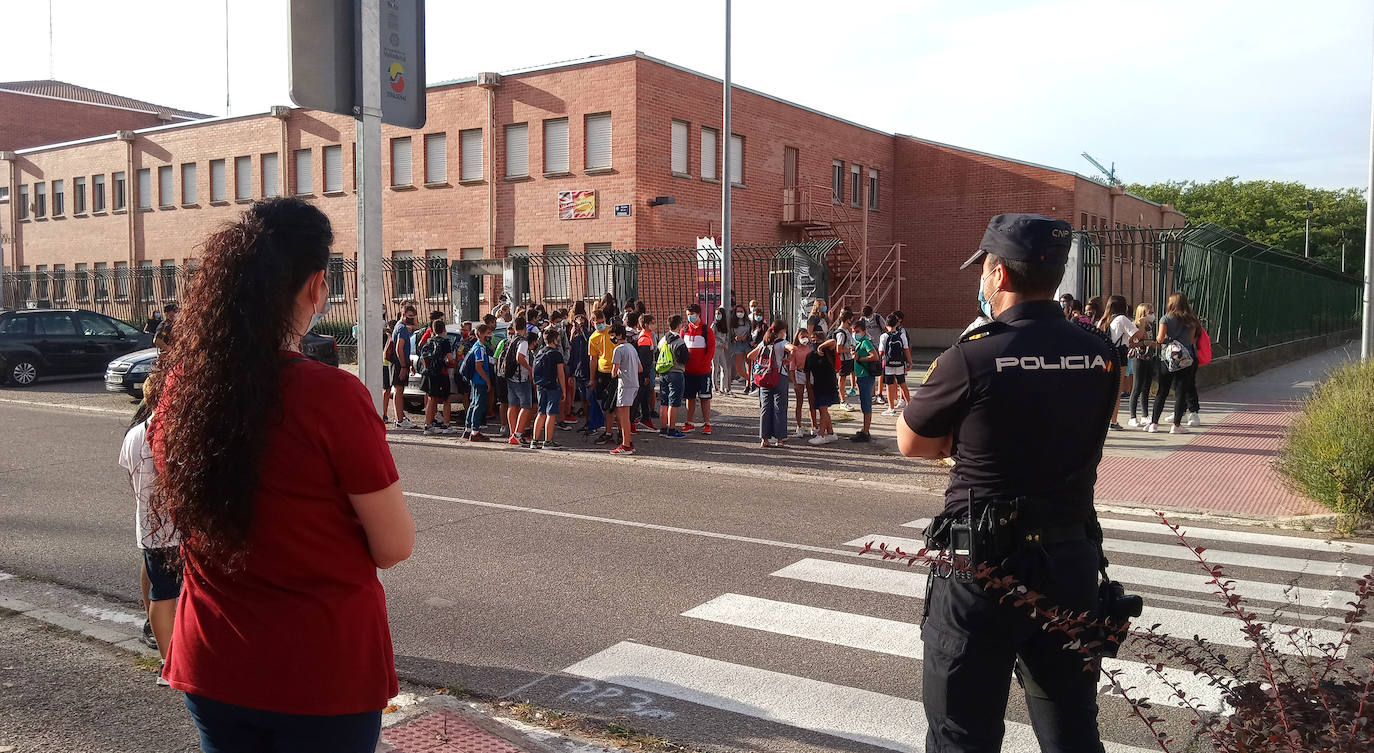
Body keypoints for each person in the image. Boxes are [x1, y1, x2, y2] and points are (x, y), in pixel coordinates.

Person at [151, 197, 414, 751]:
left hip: (214, 657)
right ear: (318, 285)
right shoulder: (332, 396)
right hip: (319, 671)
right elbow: (393, 544)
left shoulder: (180, 391)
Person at [897, 213, 1117, 753]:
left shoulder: (971, 355)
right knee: (1071, 726)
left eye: (984, 268)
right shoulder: (1102, 355)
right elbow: (1094, 426)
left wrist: (963, 441)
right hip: (1070, 560)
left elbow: (912, 441)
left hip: (983, 569)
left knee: (962, 734)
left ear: (998, 276)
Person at [118, 372, 180, 686]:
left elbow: (129, 475)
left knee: (161, 594)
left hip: (148, 526)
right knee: (170, 595)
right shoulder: (171, 433)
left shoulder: (133, 435)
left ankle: (166, 661)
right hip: (173, 528)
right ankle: (171, 664)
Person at [1147, 291, 1202, 435]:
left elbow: (1159, 339)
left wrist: (1168, 341)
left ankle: (1154, 423)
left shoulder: (1165, 318)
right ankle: (1176, 425)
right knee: (1181, 392)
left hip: (1167, 359)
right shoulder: (1192, 321)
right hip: (1185, 359)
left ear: (1171, 303)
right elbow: (1190, 341)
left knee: (1162, 391)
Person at [748, 319, 791, 447]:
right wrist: (788, 359)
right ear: (782, 331)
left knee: (765, 408)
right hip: (779, 377)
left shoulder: (764, 342)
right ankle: (780, 439)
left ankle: (764, 439)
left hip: (764, 378)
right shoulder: (782, 342)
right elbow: (793, 348)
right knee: (780, 408)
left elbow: (750, 356)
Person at [1101, 295, 1141, 431]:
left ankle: (1102, 419)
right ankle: (1113, 420)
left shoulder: (1104, 320)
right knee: (1117, 389)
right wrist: (1141, 324)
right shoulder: (1122, 319)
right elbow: (1137, 334)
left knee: (1106, 388)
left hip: (1105, 355)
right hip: (1119, 354)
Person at [681, 303, 715, 435]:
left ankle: (707, 423)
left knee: (705, 398)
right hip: (688, 371)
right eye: (688, 315)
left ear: (698, 314)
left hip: (703, 371)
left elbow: (711, 350)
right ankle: (689, 422)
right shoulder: (684, 330)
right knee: (690, 398)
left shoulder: (707, 331)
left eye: (692, 315)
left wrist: (704, 364)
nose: (690, 317)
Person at [419, 319, 456, 435]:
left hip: (429, 373)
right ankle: (446, 424)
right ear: (444, 329)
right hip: (441, 372)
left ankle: (428, 425)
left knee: (431, 398)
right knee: (446, 399)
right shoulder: (445, 342)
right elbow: (450, 359)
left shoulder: (429, 341)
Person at [531, 328, 566, 449]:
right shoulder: (557, 354)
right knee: (551, 414)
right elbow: (560, 374)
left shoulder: (539, 352)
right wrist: (564, 390)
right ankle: (548, 441)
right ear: (554, 339)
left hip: (541, 386)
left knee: (541, 413)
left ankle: (534, 441)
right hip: (553, 386)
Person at [608, 323, 640, 455]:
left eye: (613, 336)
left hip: (625, 384)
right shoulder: (632, 348)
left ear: (619, 335)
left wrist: (615, 373)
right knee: (625, 414)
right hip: (634, 382)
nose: (612, 338)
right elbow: (640, 368)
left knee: (623, 416)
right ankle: (628, 442)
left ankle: (626, 444)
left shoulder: (619, 350)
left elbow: (614, 371)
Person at [656, 314, 689, 439]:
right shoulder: (679, 341)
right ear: (679, 325)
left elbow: (657, 353)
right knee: (674, 402)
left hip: (663, 372)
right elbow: (684, 358)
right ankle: (672, 429)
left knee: (664, 401)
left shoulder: (663, 340)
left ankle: (663, 428)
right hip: (676, 372)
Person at [504, 316, 535, 446]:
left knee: (512, 405)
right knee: (526, 406)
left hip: (510, 376)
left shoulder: (511, 340)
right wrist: (530, 368)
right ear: (525, 327)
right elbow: (520, 357)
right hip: (521, 378)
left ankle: (512, 433)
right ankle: (518, 434)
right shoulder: (523, 342)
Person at [388, 304, 418, 429]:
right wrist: (404, 366)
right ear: (403, 314)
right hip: (399, 363)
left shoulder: (400, 327)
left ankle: (399, 418)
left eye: (413, 316)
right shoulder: (402, 328)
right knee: (399, 391)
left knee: (399, 391)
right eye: (410, 316)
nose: (412, 318)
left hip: (399, 362)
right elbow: (399, 347)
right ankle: (399, 419)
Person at [1127, 303, 1157, 428]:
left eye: (1152, 312)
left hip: (1149, 357)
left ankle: (1145, 415)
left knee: (1146, 387)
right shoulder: (1136, 325)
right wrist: (1145, 340)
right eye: (1149, 312)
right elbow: (1134, 343)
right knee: (1137, 387)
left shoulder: (1151, 325)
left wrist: (1154, 343)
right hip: (1139, 358)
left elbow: (1153, 340)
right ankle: (1132, 417)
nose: (1152, 315)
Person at [805, 336, 840, 445]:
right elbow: (807, 372)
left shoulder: (828, 351)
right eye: (813, 339)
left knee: (823, 409)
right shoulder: (810, 355)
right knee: (822, 409)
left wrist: (821, 347)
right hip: (817, 385)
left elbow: (833, 341)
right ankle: (831, 433)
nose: (815, 341)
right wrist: (809, 386)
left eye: (818, 338)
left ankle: (821, 434)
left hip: (828, 384)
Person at [587, 308, 614, 443]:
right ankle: (608, 432)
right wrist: (592, 379)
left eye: (602, 321)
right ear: (593, 323)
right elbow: (593, 360)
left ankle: (622, 431)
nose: (601, 324)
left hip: (616, 371)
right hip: (603, 372)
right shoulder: (593, 338)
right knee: (607, 404)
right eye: (598, 323)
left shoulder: (612, 331)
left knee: (619, 404)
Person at [850, 319, 879, 442]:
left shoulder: (866, 342)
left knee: (866, 404)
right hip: (862, 376)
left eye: (857, 331)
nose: (855, 333)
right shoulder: (859, 342)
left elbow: (874, 356)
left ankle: (866, 431)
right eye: (853, 331)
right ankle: (864, 429)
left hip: (866, 376)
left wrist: (860, 358)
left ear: (864, 331)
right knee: (864, 403)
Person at [464, 323, 493, 442]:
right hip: (480, 380)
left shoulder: (477, 346)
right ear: (480, 334)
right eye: (488, 333)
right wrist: (487, 380)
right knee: (479, 404)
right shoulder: (480, 348)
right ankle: (475, 431)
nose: (490, 336)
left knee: (474, 403)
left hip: (475, 380)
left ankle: (468, 429)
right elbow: (478, 366)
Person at [879, 314, 911, 416]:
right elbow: (906, 349)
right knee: (903, 384)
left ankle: (891, 408)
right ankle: (910, 406)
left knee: (889, 386)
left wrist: (879, 362)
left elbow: (881, 352)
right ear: (897, 323)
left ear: (886, 324)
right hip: (900, 364)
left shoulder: (884, 336)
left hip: (888, 364)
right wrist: (910, 362)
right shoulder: (901, 335)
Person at [789, 328, 817, 438]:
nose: (805, 339)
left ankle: (814, 426)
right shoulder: (795, 349)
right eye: (802, 337)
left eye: (807, 336)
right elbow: (792, 367)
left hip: (810, 374)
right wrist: (794, 382)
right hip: (799, 373)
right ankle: (799, 426)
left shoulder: (811, 348)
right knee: (799, 402)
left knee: (812, 401)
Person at [634, 314, 658, 430]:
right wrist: (645, 375)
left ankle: (646, 418)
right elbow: (644, 360)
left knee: (644, 397)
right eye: (653, 322)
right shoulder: (644, 339)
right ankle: (632, 421)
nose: (655, 325)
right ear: (646, 325)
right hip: (643, 373)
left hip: (645, 372)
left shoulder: (648, 336)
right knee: (639, 397)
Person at [832, 311, 856, 411]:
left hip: (848, 359)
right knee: (842, 379)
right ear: (847, 320)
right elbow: (839, 349)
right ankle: (842, 400)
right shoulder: (841, 333)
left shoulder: (847, 331)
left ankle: (844, 397)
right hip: (843, 360)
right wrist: (849, 350)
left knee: (847, 378)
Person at [712, 306, 732, 395]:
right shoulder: (714, 325)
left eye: (719, 314)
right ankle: (715, 387)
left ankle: (724, 387)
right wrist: (720, 344)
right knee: (715, 368)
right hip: (716, 348)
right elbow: (712, 338)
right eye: (716, 314)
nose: (717, 315)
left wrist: (725, 345)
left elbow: (727, 338)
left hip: (722, 349)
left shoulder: (724, 326)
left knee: (725, 368)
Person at [730, 305, 750, 392]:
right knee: (739, 368)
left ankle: (748, 386)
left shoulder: (747, 322)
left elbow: (751, 332)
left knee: (749, 365)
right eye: (738, 311)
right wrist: (735, 337)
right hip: (738, 344)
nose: (740, 313)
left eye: (741, 311)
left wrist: (746, 337)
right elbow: (730, 334)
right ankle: (753, 381)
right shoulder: (732, 322)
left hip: (747, 344)